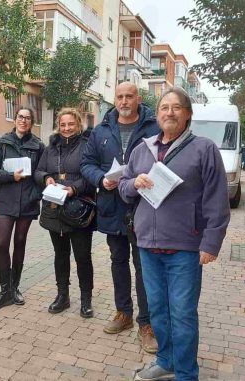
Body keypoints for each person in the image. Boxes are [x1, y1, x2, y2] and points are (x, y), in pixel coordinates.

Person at [118, 87, 230, 381]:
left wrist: (211, 243)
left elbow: (217, 200)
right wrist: (133, 184)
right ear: (157, 115)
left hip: (185, 247)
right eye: (164, 107)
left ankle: (185, 373)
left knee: (182, 314)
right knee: (157, 310)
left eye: (176, 107)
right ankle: (166, 360)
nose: (169, 112)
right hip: (147, 245)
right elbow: (123, 186)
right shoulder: (142, 149)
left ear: (188, 114)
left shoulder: (204, 149)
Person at [80, 82, 159, 352]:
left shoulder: (153, 127)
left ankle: (146, 323)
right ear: (115, 99)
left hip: (143, 207)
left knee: (144, 266)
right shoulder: (100, 130)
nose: (124, 101)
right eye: (120, 97)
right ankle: (123, 313)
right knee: (118, 261)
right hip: (111, 207)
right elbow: (86, 164)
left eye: (129, 96)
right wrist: (101, 180)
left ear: (138, 99)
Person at [35, 108, 95, 318]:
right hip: (54, 209)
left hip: (78, 209)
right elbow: (39, 170)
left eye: (71, 124)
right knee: (60, 255)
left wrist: (74, 188)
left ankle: (86, 299)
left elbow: (91, 175)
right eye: (63, 125)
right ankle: (63, 296)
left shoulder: (88, 146)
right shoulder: (51, 148)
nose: (67, 128)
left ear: (78, 124)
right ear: (58, 126)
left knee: (82, 256)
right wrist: (46, 178)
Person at [0, 106, 44, 310]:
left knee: (20, 242)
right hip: (5, 201)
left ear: (31, 122)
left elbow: (41, 174)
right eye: (20, 117)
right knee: (2, 243)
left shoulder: (38, 145)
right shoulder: (2, 143)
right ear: (15, 119)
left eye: (28, 118)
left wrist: (36, 194)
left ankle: (15, 287)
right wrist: (11, 177)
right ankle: (4, 290)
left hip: (27, 201)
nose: (23, 121)